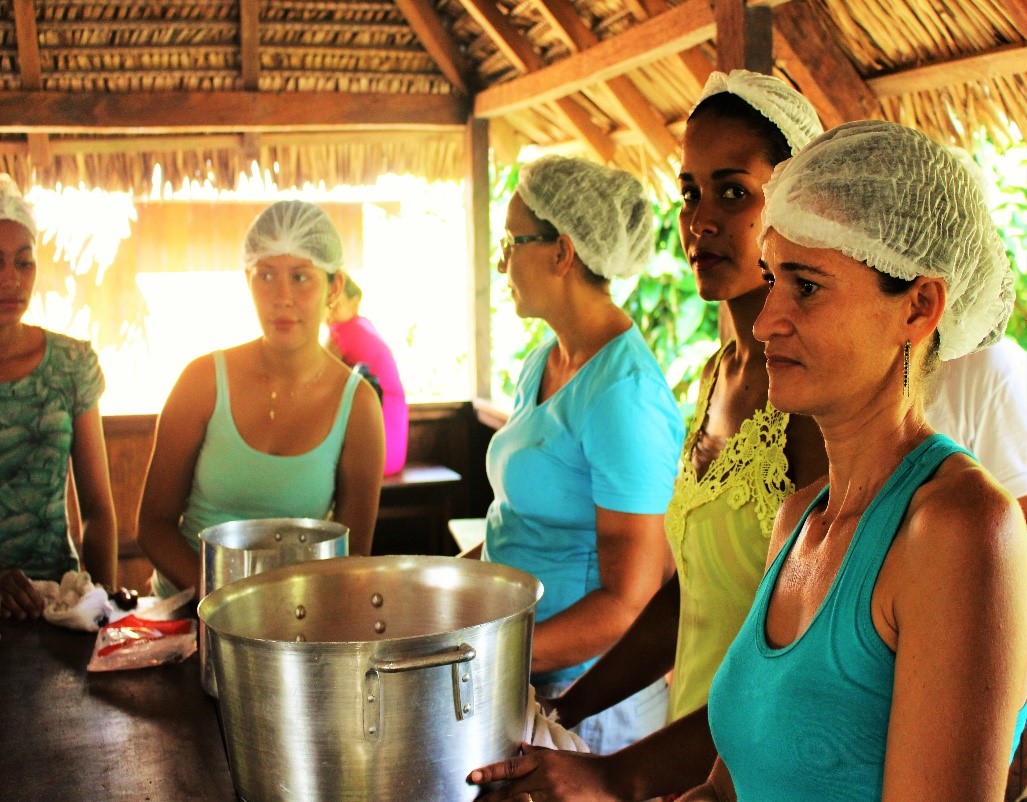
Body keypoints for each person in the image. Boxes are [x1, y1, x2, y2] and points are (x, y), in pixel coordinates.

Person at [470, 69, 827, 800]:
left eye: (734, 193)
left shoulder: (816, 403)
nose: (701, 221)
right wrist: (567, 713)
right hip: (683, 751)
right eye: (690, 193)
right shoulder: (715, 376)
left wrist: (618, 774)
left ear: (797, 202)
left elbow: (802, 666)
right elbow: (684, 596)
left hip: (759, 767)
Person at [683, 120, 1027, 801]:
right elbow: (734, 787)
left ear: (918, 307)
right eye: (773, 278)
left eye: (807, 287)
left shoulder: (959, 529)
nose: (766, 320)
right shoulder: (797, 519)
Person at [480, 154, 685, 754]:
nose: (502, 262)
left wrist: (476, 655)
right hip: (526, 677)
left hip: (588, 704)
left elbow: (629, 603)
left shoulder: (623, 395)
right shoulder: (543, 362)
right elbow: (517, 521)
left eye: (511, 242)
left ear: (561, 252)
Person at [138, 200, 385, 598]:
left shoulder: (357, 406)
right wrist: (225, 603)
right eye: (266, 275)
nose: (282, 297)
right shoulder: (202, 382)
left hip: (293, 619)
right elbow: (154, 526)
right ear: (248, 280)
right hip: (185, 611)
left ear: (334, 287)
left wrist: (273, 617)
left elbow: (352, 557)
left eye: (301, 277)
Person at [0, 175, 118, 619]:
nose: (11, 279)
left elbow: (97, 511)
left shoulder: (70, 364)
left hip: (56, 605)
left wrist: (101, 606)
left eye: (23, 262)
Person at [326, 274, 409, 476]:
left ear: (354, 303)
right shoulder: (364, 326)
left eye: (337, 303)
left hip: (378, 447)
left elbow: (315, 376)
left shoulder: (344, 332)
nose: (330, 310)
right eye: (327, 303)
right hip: (393, 451)